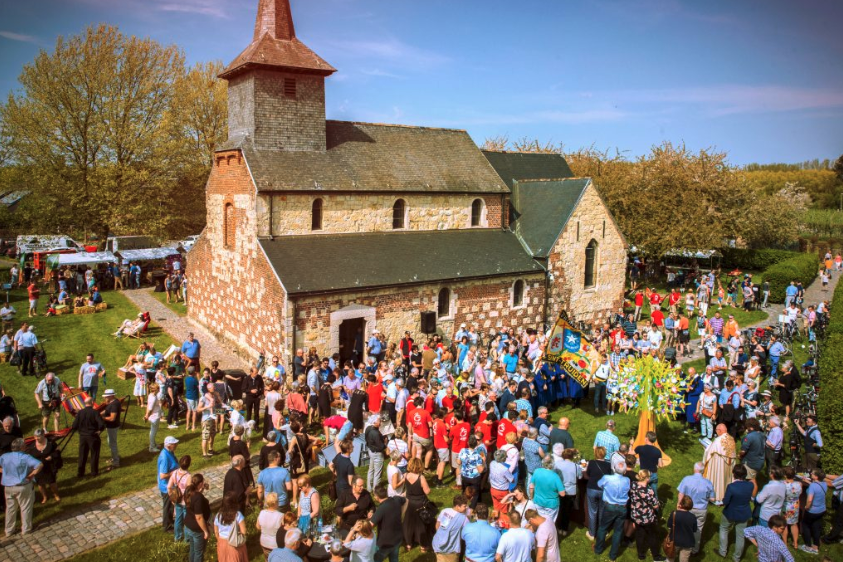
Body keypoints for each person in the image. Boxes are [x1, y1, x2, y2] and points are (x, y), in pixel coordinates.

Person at [1, 437, 42, 537]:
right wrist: (32, 475)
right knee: (25, 507)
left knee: (10, 509)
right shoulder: (25, 457)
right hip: (23, 485)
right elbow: (40, 465)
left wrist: (4, 472)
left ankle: (9, 531)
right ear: (22, 447)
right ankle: (26, 529)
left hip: (8, 487)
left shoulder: (4, 456)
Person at [594, 458, 631, 561]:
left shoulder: (607, 478)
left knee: (603, 528)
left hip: (610, 506)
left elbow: (599, 484)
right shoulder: (627, 480)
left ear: (614, 469)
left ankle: (598, 549)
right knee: (618, 531)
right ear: (624, 471)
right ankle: (613, 555)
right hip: (622, 507)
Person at [717, 464, 754, 562]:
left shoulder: (731, 487)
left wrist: (721, 502)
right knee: (740, 536)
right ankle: (737, 558)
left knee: (724, 529)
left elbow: (725, 502)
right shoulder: (750, 485)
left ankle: (722, 551)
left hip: (730, 512)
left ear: (734, 474)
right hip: (744, 513)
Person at [677, 461, 714, 556]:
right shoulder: (708, 483)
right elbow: (713, 498)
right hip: (702, 510)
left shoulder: (686, 479)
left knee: (684, 527)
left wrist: (678, 505)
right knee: (698, 530)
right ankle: (694, 550)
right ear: (703, 471)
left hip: (687, 508)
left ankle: (680, 545)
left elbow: (681, 493)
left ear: (695, 469)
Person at [629, 469, 664, 561]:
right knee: (652, 536)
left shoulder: (633, 484)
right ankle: (656, 556)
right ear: (647, 478)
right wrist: (658, 504)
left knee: (639, 535)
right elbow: (655, 505)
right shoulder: (648, 491)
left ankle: (641, 555)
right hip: (647, 517)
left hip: (636, 515)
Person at [371, 483, 406, 562]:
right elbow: (406, 499)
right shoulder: (396, 499)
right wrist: (402, 514)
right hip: (397, 539)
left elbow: (370, 525)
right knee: (394, 559)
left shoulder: (381, 509)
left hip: (385, 543)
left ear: (376, 497)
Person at [403, 457, 432, 551]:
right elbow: (427, 491)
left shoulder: (405, 475)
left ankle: (408, 544)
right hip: (420, 503)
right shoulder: (421, 477)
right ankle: (423, 545)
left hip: (409, 502)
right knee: (420, 525)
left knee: (408, 524)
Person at [72, 396, 105, 478]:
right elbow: (101, 424)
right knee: (94, 454)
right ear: (92, 403)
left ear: (84, 403)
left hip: (83, 436)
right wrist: (99, 431)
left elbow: (74, 426)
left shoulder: (80, 413)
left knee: (82, 455)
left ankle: (80, 473)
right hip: (92, 435)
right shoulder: (95, 412)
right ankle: (94, 472)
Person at [702, 423, 735, 504]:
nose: (716, 433)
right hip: (729, 464)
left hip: (718, 464)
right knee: (725, 479)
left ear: (719, 431)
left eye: (716, 431)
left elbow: (709, 452)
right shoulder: (731, 439)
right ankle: (725, 494)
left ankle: (716, 496)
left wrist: (705, 448)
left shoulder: (718, 440)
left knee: (718, 478)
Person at [432, 494, 469, 562]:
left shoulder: (445, 511)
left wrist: (441, 536)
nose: (466, 507)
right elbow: (468, 533)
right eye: (464, 506)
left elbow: (438, 524)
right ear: (458, 506)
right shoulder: (464, 519)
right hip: (451, 550)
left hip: (438, 545)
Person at [529, 455, 565, 524]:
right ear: (553, 464)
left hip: (538, 501)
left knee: (540, 522)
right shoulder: (555, 476)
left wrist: (531, 498)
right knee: (549, 523)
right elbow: (562, 494)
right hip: (551, 505)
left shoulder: (537, 471)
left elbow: (531, 487)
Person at [214, 491, 249, 562]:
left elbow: (216, 531)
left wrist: (220, 540)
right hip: (235, 542)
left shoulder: (218, 515)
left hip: (222, 542)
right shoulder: (238, 515)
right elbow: (244, 531)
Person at [800, 468, 828, 555]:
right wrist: (808, 482)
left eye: (812, 473)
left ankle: (808, 546)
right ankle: (816, 546)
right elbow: (816, 486)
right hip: (822, 510)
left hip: (812, 511)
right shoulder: (824, 484)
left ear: (816, 477)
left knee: (806, 525)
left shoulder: (812, 486)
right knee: (816, 527)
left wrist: (807, 507)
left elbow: (809, 500)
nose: (810, 474)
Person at [184, 473, 211, 562]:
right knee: (199, 552)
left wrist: (201, 490)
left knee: (193, 549)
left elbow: (194, 501)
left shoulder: (188, 490)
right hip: (197, 529)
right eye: (203, 482)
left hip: (188, 525)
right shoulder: (198, 497)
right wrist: (205, 531)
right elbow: (199, 517)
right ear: (200, 483)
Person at [28, 429, 60, 504]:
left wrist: (51, 457)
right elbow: (29, 457)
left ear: (43, 435)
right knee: (40, 484)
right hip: (38, 467)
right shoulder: (32, 446)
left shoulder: (50, 443)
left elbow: (57, 451)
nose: (36, 438)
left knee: (52, 483)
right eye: (35, 437)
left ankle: (56, 495)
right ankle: (45, 496)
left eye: (38, 437)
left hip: (49, 466)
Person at [158, 436, 180, 533]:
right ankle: (167, 526)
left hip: (171, 485)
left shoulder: (169, 452)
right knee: (168, 506)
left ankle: (170, 521)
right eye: (174, 444)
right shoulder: (165, 457)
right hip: (166, 486)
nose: (176, 445)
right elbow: (162, 475)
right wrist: (175, 472)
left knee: (171, 505)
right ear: (169, 445)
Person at [167, 455, 192, 542]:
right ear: (189, 464)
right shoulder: (188, 476)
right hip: (185, 501)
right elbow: (189, 491)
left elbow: (169, 487)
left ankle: (177, 537)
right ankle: (187, 539)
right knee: (187, 521)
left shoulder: (175, 473)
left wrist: (172, 497)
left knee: (178, 519)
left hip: (177, 500)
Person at [667, 496, 698, 562]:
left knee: (671, 558)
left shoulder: (674, 514)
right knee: (684, 560)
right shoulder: (693, 517)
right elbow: (694, 530)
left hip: (674, 540)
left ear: (680, 504)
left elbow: (669, 526)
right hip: (688, 542)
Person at [257, 492, 285, 556]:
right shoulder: (281, 516)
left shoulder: (262, 513)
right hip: (275, 544)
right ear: (276, 503)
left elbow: (258, 527)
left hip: (264, 542)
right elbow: (283, 531)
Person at [101, 389, 122, 469]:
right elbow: (106, 410)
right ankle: (114, 458)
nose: (105, 398)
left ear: (111, 396)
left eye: (106, 397)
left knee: (112, 444)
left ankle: (116, 462)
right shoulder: (113, 402)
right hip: (111, 426)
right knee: (110, 443)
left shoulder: (114, 405)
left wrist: (102, 418)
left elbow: (112, 418)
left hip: (112, 426)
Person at [782, 467, 802, 550]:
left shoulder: (783, 484)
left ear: (785, 475)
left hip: (786, 505)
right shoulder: (799, 484)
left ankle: (785, 544)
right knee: (794, 524)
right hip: (795, 506)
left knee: (784, 525)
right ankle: (796, 543)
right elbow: (799, 494)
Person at [365, 414, 386, 490]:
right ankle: (376, 490)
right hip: (377, 453)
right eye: (379, 421)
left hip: (370, 450)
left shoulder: (368, 428)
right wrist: (385, 443)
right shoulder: (375, 433)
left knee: (371, 470)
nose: (380, 422)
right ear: (374, 421)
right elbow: (381, 446)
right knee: (377, 472)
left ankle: (369, 487)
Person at [144, 383, 163, 452]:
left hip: (154, 416)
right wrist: (147, 415)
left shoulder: (151, 395)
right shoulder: (153, 398)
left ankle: (154, 444)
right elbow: (150, 408)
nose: (159, 389)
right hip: (154, 417)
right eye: (158, 388)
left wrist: (146, 415)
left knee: (153, 431)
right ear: (155, 389)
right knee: (153, 432)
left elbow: (148, 406)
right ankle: (151, 447)